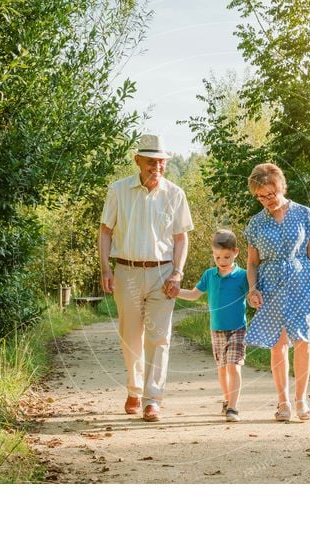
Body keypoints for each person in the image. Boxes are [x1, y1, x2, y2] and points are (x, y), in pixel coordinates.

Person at [98, 133, 193, 422]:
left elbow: (181, 238)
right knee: (131, 337)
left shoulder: (175, 194)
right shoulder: (118, 190)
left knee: (159, 337)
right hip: (126, 270)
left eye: (161, 162)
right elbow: (105, 232)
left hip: (163, 273)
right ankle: (134, 389)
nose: (157, 167)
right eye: (151, 161)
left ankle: (153, 398)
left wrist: (177, 273)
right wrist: (106, 269)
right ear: (137, 161)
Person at [243, 163, 310, 421]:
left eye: (270, 194)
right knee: (278, 345)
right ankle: (283, 403)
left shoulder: (304, 214)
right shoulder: (256, 224)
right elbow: (252, 262)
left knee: (303, 341)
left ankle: (302, 401)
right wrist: (252, 288)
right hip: (271, 285)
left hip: (302, 283)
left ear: (281, 187)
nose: (266, 200)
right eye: (260, 196)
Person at [177, 230, 248, 422]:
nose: (222, 261)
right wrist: (175, 291)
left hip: (237, 328)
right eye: (217, 257)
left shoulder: (243, 276)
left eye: (226, 257)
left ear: (236, 252)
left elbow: (253, 296)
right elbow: (193, 294)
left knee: (234, 366)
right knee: (223, 368)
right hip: (216, 329)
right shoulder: (209, 275)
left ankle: (233, 407)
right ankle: (226, 399)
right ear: (213, 254)